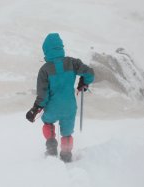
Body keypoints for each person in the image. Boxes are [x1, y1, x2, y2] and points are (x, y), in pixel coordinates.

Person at [26, 33, 95, 162]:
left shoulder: (44, 70)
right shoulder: (72, 63)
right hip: (69, 107)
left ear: (46, 50)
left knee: (48, 122)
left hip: (52, 108)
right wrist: (84, 82)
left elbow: (43, 94)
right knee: (67, 133)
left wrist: (36, 108)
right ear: (61, 47)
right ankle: (66, 155)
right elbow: (89, 73)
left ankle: (51, 148)